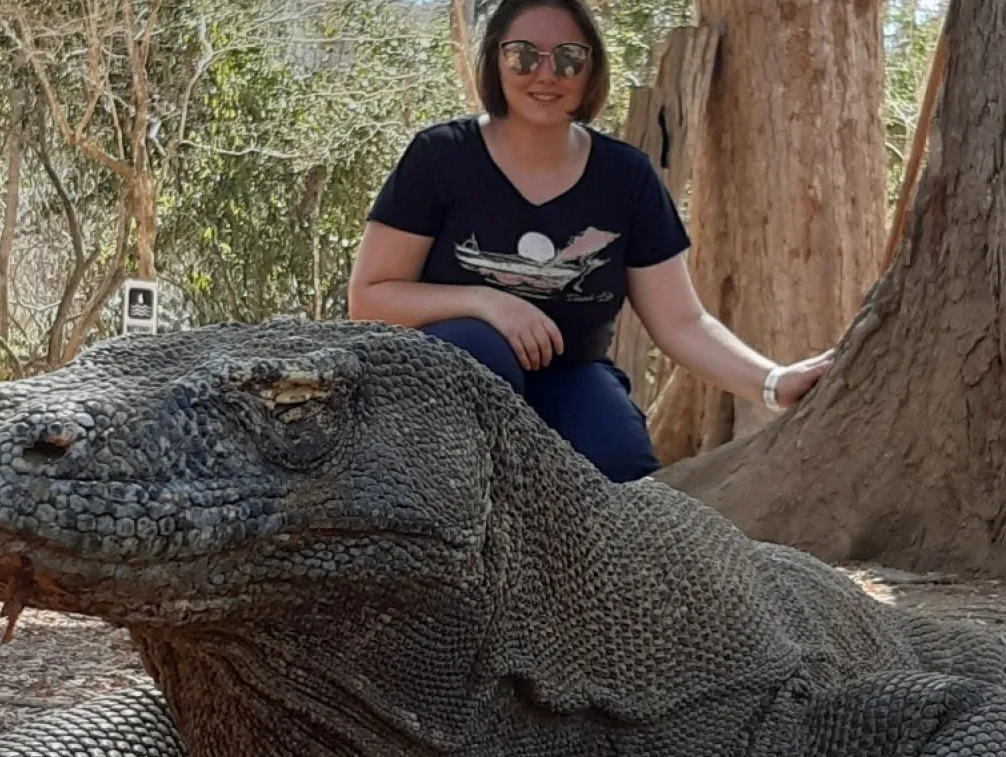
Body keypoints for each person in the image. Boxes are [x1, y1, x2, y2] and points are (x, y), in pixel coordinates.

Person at [347, 0, 834, 483]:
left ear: (590, 71)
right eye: (523, 55)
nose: (545, 73)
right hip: (447, 382)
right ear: (496, 60)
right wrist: (486, 302)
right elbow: (369, 298)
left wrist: (772, 383)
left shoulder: (625, 178)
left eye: (567, 58)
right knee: (478, 347)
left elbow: (682, 322)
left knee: (621, 473)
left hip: (570, 375)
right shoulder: (441, 158)